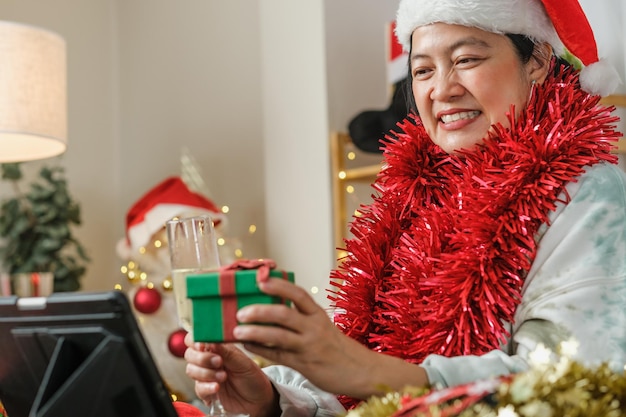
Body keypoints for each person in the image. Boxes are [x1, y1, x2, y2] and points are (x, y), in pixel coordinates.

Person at [182, 0, 626, 416]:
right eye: (423, 70)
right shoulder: (410, 198)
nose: (442, 90)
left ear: (538, 61)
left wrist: (364, 371)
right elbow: (349, 372)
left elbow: (574, 381)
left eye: (467, 59)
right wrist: (270, 397)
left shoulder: (588, 191)